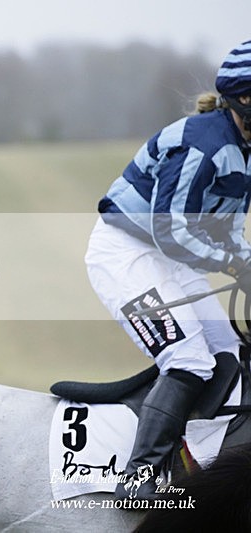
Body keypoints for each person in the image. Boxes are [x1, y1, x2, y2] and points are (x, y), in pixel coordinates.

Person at [85, 40, 251, 500]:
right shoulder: (204, 144)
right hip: (127, 255)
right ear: (244, 99)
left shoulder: (244, 149)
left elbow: (229, 228)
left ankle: (194, 456)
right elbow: (170, 230)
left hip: (172, 259)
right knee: (188, 359)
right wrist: (234, 264)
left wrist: (246, 261)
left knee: (227, 353)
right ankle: (138, 477)